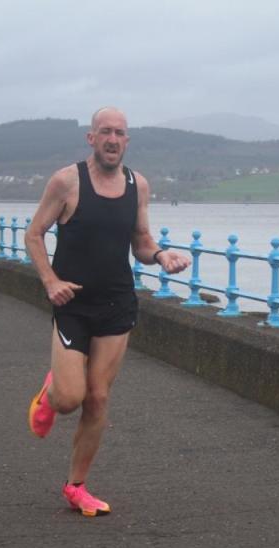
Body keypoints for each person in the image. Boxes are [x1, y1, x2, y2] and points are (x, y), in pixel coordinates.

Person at [24, 107, 190, 516]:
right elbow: (33, 234)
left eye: (120, 133)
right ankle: (51, 391)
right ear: (91, 138)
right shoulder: (67, 182)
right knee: (69, 400)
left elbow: (141, 240)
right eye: (105, 132)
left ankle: (76, 486)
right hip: (73, 304)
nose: (113, 139)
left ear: (127, 141)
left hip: (117, 303)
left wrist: (161, 255)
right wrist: (50, 281)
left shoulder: (138, 185)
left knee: (97, 398)